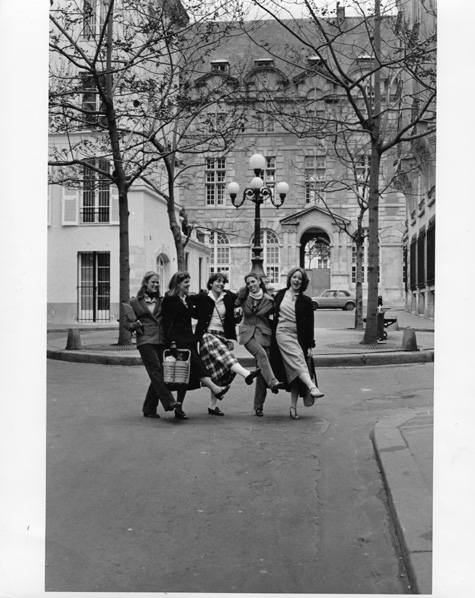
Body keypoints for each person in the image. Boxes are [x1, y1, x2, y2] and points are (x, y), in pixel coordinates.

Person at [161, 271, 231, 420]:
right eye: (186, 282)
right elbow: (166, 323)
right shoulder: (169, 299)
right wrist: (171, 342)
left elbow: (197, 314)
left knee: (185, 375)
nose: (188, 285)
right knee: (195, 365)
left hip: (189, 339)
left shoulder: (187, 298)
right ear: (178, 283)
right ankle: (215, 388)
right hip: (177, 340)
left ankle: (179, 408)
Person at [193, 272, 261, 416]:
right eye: (218, 281)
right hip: (206, 335)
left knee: (217, 371)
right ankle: (246, 373)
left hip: (222, 336)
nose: (221, 284)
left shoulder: (228, 296)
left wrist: (256, 286)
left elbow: (244, 296)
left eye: (223, 282)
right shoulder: (203, 297)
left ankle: (212, 406)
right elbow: (187, 302)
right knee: (227, 357)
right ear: (211, 283)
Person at [122, 271, 181, 419]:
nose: (155, 285)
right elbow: (125, 322)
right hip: (145, 340)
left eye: (157, 282)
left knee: (159, 372)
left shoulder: (162, 300)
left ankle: (149, 408)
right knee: (155, 371)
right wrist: (134, 324)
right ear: (145, 283)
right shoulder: (135, 302)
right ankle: (169, 402)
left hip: (161, 340)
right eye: (152, 282)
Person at [272, 267, 324, 420]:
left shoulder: (306, 301)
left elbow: (310, 325)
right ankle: (312, 387)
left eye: (299, 279)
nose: (296, 280)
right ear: (290, 279)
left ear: (303, 282)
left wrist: (309, 345)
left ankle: (293, 407)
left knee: (295, 371)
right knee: (298, 360)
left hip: (298, 336)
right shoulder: (280, 295)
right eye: (294, 277)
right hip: (282, 333)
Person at [235, 272, 285, 417]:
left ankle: (258, 406)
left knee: (262, 369)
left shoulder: (270, 300)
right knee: (261, 354)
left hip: (264, 335)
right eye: (248, 283)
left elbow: (278, 316)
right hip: (248, 335)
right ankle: (273, 382)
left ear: (259, 281)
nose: (251, 285)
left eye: (253, 282)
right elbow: (231, 304)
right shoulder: (243, 297)